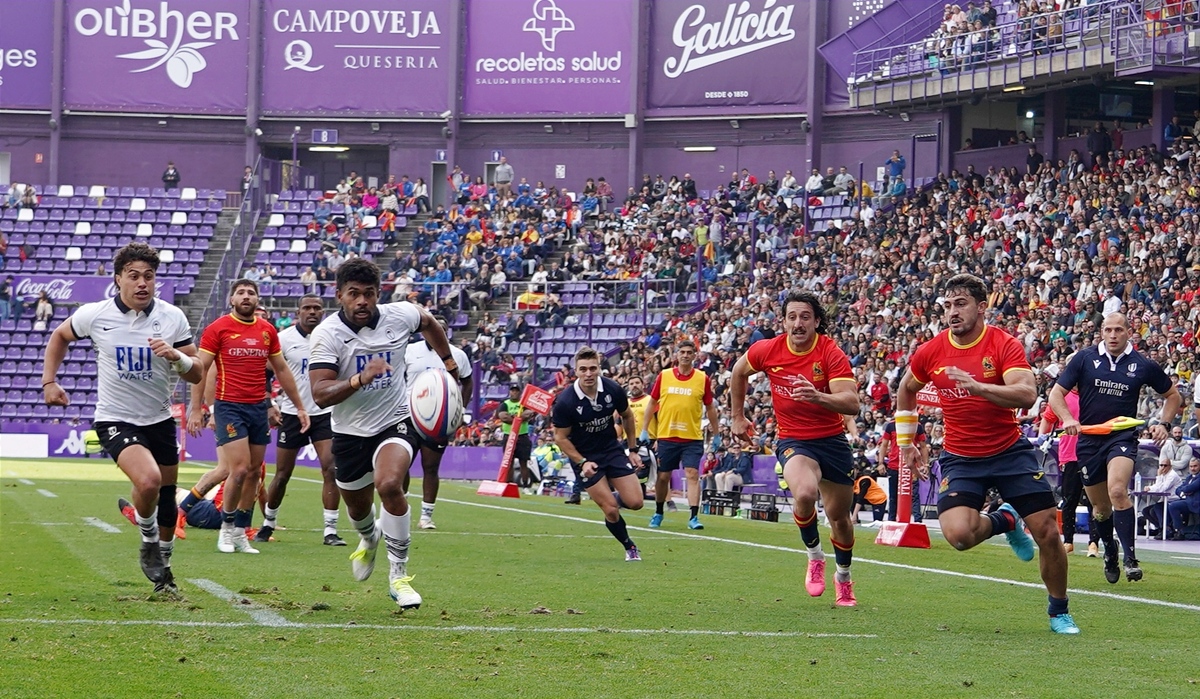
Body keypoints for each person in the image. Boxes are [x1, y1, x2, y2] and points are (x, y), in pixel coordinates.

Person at [895, 274, 1077, 634]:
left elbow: (1026, 394)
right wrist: (905, 442)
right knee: (959, 537)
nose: (952, 312)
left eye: (960, 304)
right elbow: (906, 389)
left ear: (982, 307)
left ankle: (1059, 611)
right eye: (947, 305)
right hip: (961, 457)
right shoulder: (931, 350)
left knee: (1048, 532)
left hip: (1009, 451)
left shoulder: (1003, 344)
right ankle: (1006, 521)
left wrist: (978, 387)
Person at [42, 242, 203, 593]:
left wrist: (177, 357)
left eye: (149, 276)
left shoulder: (172, 317)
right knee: (148, 482)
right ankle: (147, 540)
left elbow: (197, 372)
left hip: (159, 420)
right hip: (116, 418)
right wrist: (50, 381)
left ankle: (166, 571)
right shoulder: (95, 314)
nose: (143, 283)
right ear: (119, 280)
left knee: (166, 493)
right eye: (134, 276)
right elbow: (60, 336)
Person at [308, 258, 458, 611]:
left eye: (369, 294)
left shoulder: (400, 314)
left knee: (390, 484)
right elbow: (320, 393)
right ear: (339, 295)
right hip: (348, 432)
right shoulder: (327, 335)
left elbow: (429, 322)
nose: (362, 301)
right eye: (354, 294)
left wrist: (448, 362)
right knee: (359, 514)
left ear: (379, 294)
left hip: (396, 419)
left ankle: (399, 577)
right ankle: (369, 537)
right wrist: (361, 378)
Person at [729, 290, 862, 607]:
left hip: (832, 441)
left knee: (840, 519)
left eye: (805, 317)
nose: (798, 323)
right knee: (803, 493)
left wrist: (820, 397)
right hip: (794, 440)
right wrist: (736, 416)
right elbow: (738, 371)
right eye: (792, 317)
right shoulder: (768, 350)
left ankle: (843, 578)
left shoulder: (830, 353)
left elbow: (852, 403)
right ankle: (815, 556)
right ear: (784, 321)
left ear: (817, 321)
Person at [1049, 312, 1181, 584]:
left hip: (1121, 437)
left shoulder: (1142, 364)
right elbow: (1055, 394)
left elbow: (1173, 395)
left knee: (1118, 490)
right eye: (1108, 329)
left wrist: (1164, 424)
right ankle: (1110, 548)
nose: (1112, 335)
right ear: (1101, 332)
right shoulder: (1085, 359)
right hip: (1088, 440)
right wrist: (1068, 418)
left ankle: (1130, 558)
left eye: (1118, 330)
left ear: (1129, 331)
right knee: (1100, 509)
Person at [186, 279, 310, 555]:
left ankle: (242, 532)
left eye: (251, 293)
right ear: (232, 300)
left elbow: (282, 370)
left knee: (255, 471)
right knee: (238, 469)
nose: (246, 296)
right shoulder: (217, 328)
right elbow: (200, 369)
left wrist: (300, 406)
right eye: (240, 293)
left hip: (257, 408)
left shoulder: (267, 331)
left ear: (257, 300)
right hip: (229, 406)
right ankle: (226, 529)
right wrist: (197, 408)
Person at [257, 294, 344, 546]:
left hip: (324, 413)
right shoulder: (283, 339)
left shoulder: (331, 338)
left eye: (317, 308)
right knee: (283, 473)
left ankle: (330, 530)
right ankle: (268, 524)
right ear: (298, 312)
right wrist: (270, 404)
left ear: (323, 312)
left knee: (330, 467)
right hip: (292, 415)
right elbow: (264, 373)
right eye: (307, 308)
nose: (312, 312)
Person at [551, 346, 645, 561]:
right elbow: (560, 438)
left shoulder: (613, 390)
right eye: (583, 369)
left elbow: (628, 416)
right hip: (584, 457)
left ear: (599, 368)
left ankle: (609, 495)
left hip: (611, 450)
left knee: (636, 502)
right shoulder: (565, 401)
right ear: (576, 371)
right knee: (611, 510)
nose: (588, 374)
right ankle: (629, 546)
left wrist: (632, 449)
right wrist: (582, 461)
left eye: (593, 368)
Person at [403, 315, 473, 530]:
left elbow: (468, 382)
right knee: (401, 463)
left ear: (447, 332)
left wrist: (459, 409)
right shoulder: (409, 351)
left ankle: (426, 516)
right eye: (433, 328)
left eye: (442, 329)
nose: (436, 332)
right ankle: (399, 509)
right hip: (408, 414)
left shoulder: (458, 356)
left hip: (439, 419)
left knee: (431, 467)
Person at [641, 339, 719, 530]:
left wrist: (716, 434)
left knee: (692, 474)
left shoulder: (702, 379)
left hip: (692, 437)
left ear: (694, 356)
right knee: (663, 477)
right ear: (677, 355)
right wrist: (645, 428)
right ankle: (659, 512)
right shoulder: (664, 376)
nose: (685, 355)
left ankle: (693, 517)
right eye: (682, 352)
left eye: (689, 352)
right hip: (667, 436)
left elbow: (710, 408)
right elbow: (652, 403)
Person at [1037, 384, 1098, 556]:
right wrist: (1042, 436)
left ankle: (1093, 542)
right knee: (1069, 500)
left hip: (1091, 453)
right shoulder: (1061, 396)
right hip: (1069, 454)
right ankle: (1068, 541)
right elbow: (1048, 418)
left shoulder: (1093, 394)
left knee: (1093, 500)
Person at [878, 416, 929, 523]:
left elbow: (923, 446)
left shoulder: (917, 425)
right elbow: (884, 445)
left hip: (910, 466)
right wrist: (881, 463)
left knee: (914, 494)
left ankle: (917, 521)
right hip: (894, 465)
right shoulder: (891, 425)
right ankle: (891, 520)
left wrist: (926, 464)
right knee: (893, 496)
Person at [622, 374, 657, 502]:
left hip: (648, 440)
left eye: (637, 382)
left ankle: (664, 499)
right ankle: (634, 495)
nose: (634, 385)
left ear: (643, 385)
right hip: (629, 440)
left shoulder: (650, 400)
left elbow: (661, 419)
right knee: (629, 468)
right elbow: (619, 422)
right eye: (631, 384)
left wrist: (658, 439)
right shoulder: (626, 403)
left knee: (647, 469)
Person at [499, 384, 538, 490]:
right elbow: (503, 417)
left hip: (522, 436)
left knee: (523, 462)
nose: (514, 392)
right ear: (510, 392)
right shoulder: (505, 404)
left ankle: (525, 486)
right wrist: (519, 419)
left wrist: (514, 418)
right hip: (509, 436)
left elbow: (528, 414)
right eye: (512, 390)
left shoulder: (524, 404)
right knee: (508, 462)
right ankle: (509, 484)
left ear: (520, 392)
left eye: (516, 391)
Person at [1139, 461, 1182, 538]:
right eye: (1161, 465)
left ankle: (1167, 529)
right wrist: (1149, 488)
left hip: (1174, 500)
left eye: (1165, 465)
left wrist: (1158, 476)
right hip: (1165, 500)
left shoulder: (1172, 475)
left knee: (1157, 507)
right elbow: (1157, 486)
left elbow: (1162, 488)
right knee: (1145, 511)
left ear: (1170, 466)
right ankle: (1161, 528)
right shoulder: (1163, 474)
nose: (1163, 468)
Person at [1166, 457, 1200, 538]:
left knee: (1173, 506)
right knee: (1166, 506)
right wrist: (1183, 492)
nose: (1193, 468)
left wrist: (1184, 490)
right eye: (1191, 466)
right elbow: (1177, 489)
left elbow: (1191, 487)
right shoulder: (1189, 477)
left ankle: (1180, 532)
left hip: (1195, 504)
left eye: (1195, 466)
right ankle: (1168, 530)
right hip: (1187, 501)